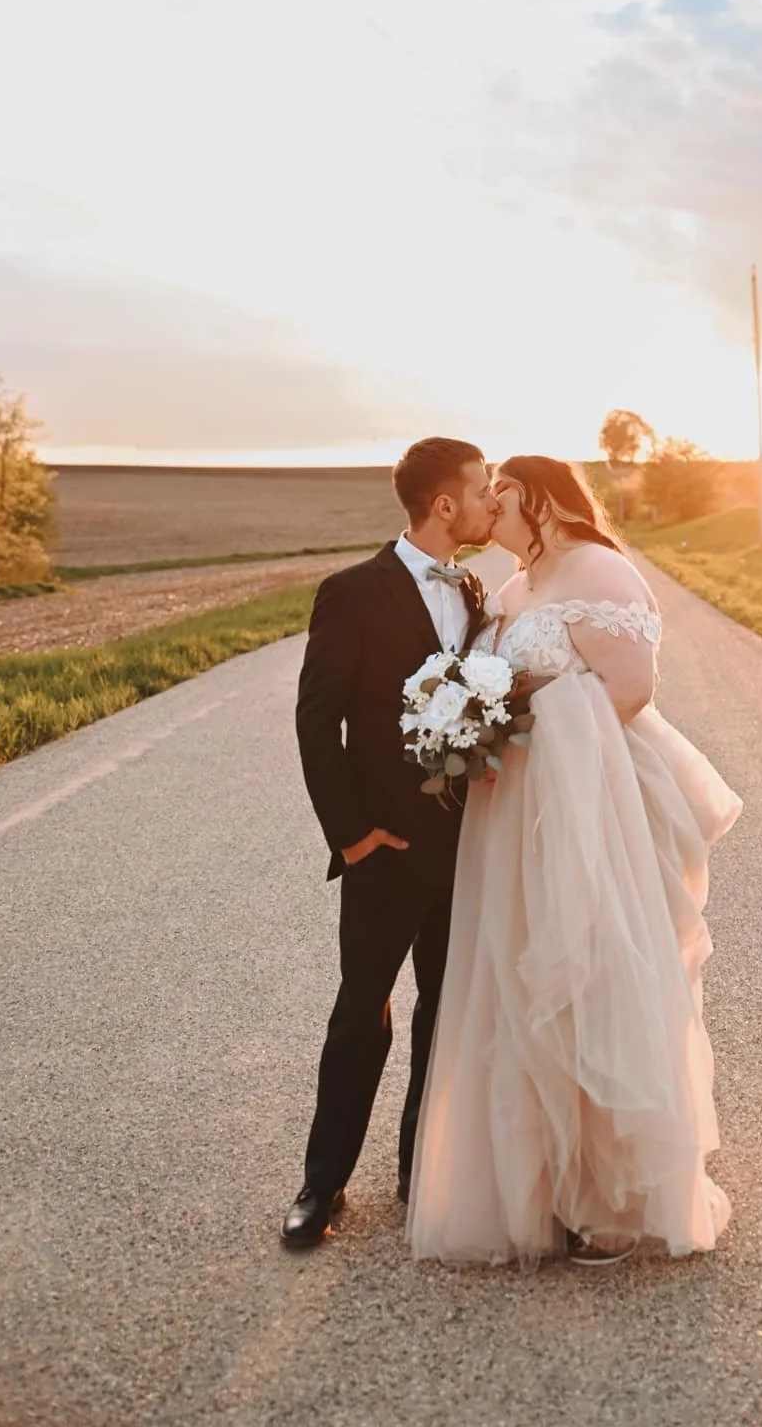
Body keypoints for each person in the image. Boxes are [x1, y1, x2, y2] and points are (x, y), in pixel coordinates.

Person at [407, 456, 742, 1266]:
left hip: (593, 806)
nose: (490, 503)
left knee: (595, 970)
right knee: (521, 977)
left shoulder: (600, 569)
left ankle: (614, 1197)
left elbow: (630, 688)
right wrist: (473, 723)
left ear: (539, 498)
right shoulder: (514, 587)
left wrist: (513, 715)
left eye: (502, 491)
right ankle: (543, 1181)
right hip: (514, 812)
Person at [281, 436, 498, 1250]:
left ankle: (419, 1170)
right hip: (384, 847)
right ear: (444, 505)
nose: (489, 502)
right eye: (481, 490)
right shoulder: (352, 591)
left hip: (465, 848)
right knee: (361, 1014)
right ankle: (321, 1183)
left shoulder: (477, 591)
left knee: (443, 1012)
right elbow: (316, 718)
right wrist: (351, 835)